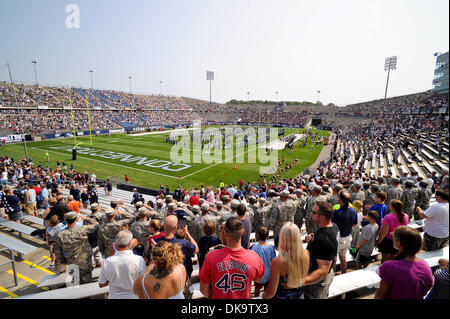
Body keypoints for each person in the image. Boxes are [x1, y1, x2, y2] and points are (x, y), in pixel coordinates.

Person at [199, 217, 265, 299]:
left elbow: (203, 289)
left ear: (225, 233)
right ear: (243, 232)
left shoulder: (210, 257)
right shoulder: (254, 257)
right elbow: (258, 279)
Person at [375, 226, 433, 299]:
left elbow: (379, 295)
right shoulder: (425, 264)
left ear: (398, 243)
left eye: (392, 236)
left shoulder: (389, 266)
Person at [302, 201, 338, 299]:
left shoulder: (324, 240)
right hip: (325, 275)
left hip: (317, 282)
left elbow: (322, 272)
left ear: (322, 217)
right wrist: (312, 237)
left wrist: (300, 281)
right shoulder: (333, 226)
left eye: (313, 212)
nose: (311, 214)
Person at [263, 222, 309, 299]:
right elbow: (303, 278)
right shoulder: (306, 254)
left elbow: (271, 292)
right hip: (299, 295)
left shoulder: (277, 262)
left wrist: (264, 296)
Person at [53, 211, 100, 284]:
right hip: (85, 261)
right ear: (75, 219)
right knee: (87, 281)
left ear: (65, 220)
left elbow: (57, 250)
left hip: (71, 261)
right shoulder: (82, 229)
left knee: (75, 281)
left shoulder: (60, 235)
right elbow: (96, 225)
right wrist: (86, 218)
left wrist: (63, 260)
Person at [98, 230, 146, 299]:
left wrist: (113, 281)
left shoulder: (108, 261)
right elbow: (143, 282)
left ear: (116, 243)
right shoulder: (139, 260)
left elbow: (101, 284)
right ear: (130, 243)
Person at [331, 190, 357, 274]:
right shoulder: (353, 210)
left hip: (339, 238)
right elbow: (354, 224)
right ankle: (344, 274)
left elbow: (333, 227)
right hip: (348, 238)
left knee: (334, 260)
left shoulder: (337, 212)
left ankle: (333, 277)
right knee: (343, 258)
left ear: (340, 199)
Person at [251, 226, 276, 298]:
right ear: (268, 237)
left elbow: (253, 261)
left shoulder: (254, 247)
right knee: (266, 290)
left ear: (257, 235)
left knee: (257, 289)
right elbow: (273, 260)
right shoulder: (271, 247)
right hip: (268, 273)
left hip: (258, 273)